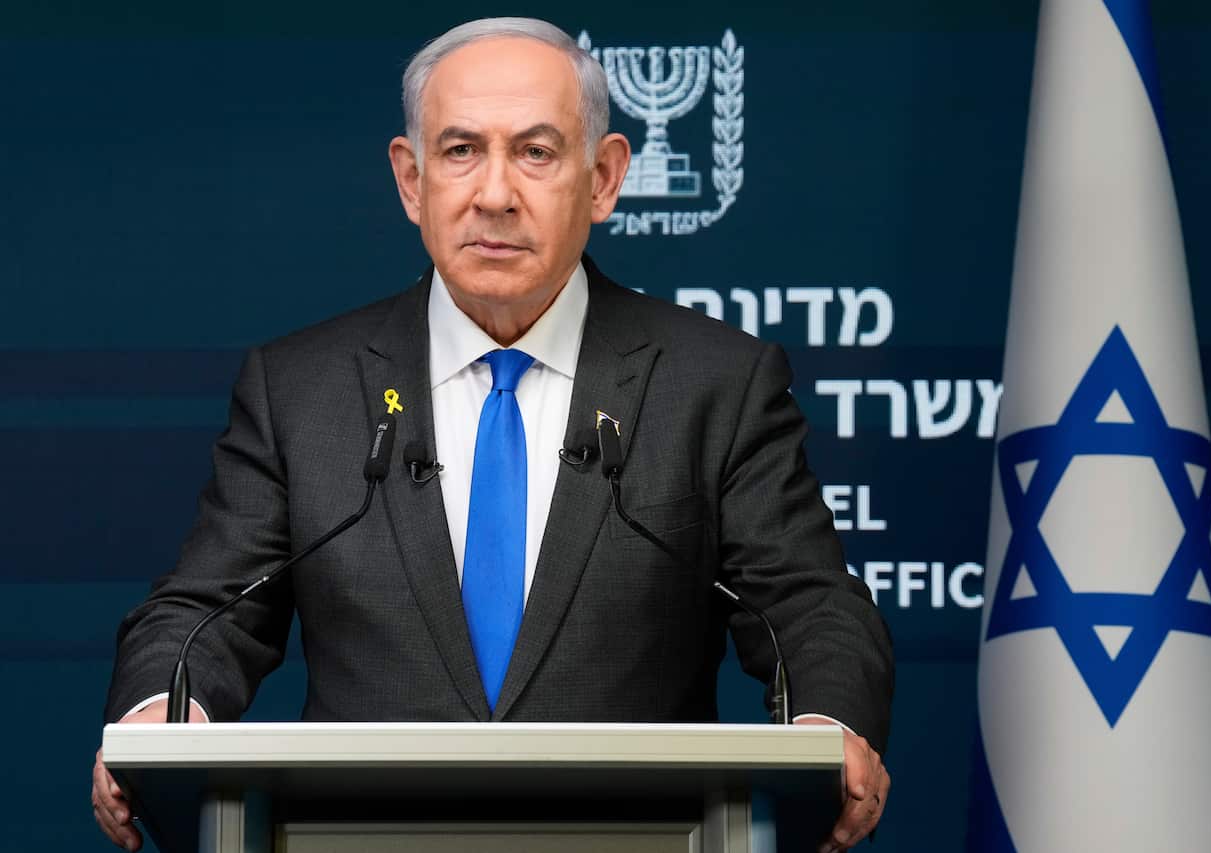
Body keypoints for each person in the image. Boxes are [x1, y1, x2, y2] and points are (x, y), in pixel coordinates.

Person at [90, 17, 893, 852]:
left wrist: (827, 720)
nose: (495, 194)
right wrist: (159, 717)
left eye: (536, 152)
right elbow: (204, 611)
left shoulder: (715, 384)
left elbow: (810, 605)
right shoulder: (301, 390)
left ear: (604, 178)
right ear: (412, 180)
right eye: (461, 151)